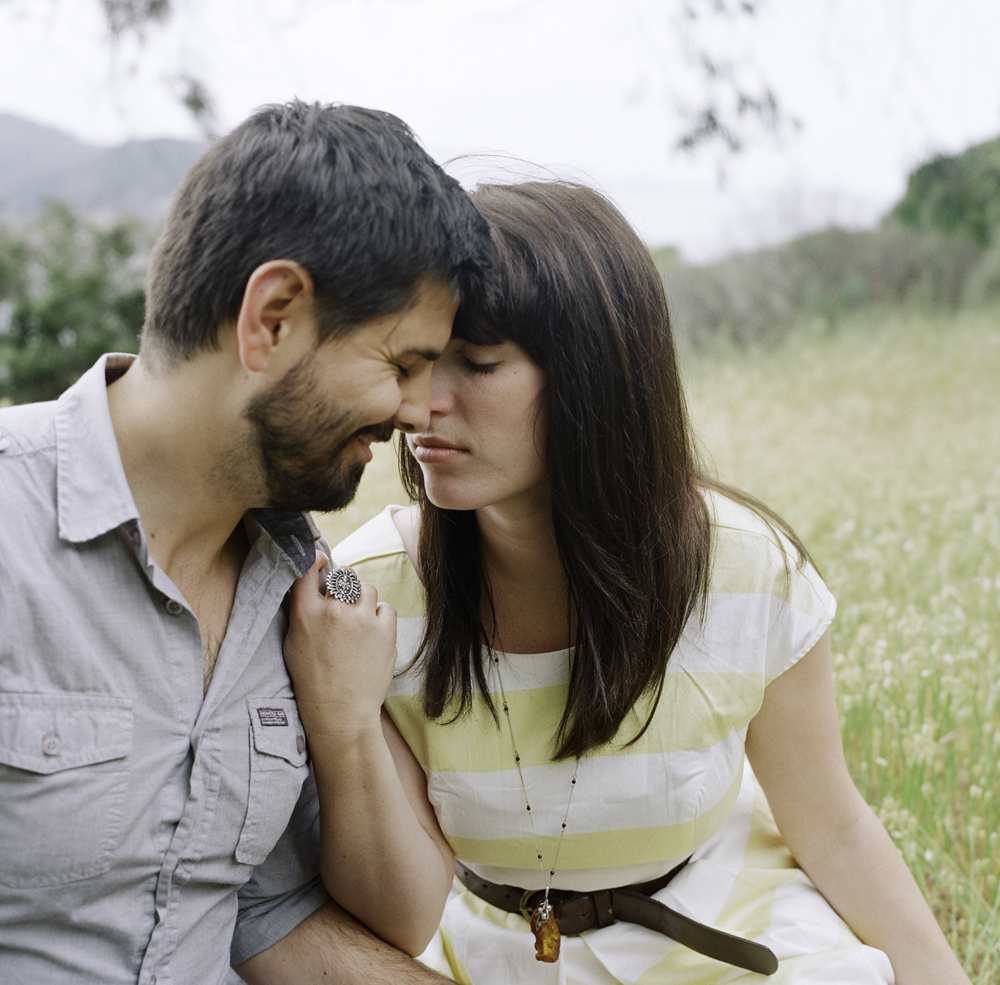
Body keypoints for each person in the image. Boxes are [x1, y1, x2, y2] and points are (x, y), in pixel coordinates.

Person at [291, 181, 972, 983]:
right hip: (490, 956)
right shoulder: (369, 599)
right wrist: (343, 722)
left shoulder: (747, 573)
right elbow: (401, 916)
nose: (422, 406)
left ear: (594, 377)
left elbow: (832, 828)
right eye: (416, 362)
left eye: (476, 364)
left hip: (719, 933)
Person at [0, 100, 494, 985]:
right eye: (403, 364)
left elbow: (263, 918)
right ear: (271, 317)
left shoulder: (304, 596)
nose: (419, 412)